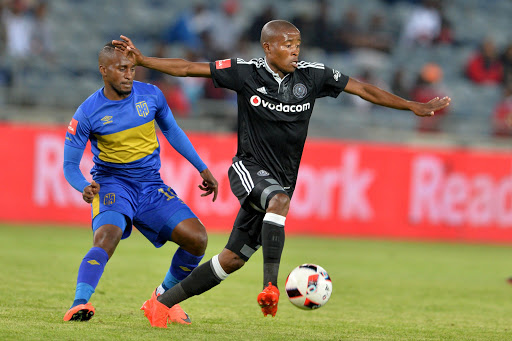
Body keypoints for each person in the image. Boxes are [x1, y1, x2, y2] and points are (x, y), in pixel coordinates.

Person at [113, 19, 451, 328]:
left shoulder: (313, 75)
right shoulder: (244, 72)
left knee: (232, 259)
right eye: (288, 44)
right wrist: (144, 62)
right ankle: (270, 286)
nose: (295, 50)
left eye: (298, 45)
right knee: (279, 200)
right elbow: (188, 68)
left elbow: (363, 89)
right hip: (248, 169)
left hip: (281, 179)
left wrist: (411, 105)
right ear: (268, 47)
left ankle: (160, 303)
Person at [62, 42, 218, 324]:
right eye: (122, 69)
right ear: (104, 70)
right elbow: (70, 164)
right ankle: (80, 303)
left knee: (197, 239)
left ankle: (162, 299)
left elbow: (172, 130)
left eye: (132, 68)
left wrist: (202, 167)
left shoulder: (152, 95)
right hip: (112, 184)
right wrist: (83, 185)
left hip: (150, 186)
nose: (129, 74)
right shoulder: (87, 112)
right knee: (107, 236)